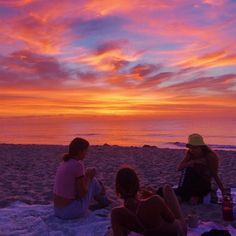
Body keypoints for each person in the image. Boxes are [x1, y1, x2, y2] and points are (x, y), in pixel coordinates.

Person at [111, 167, 187, 236]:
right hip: (177, 232)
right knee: (167, 188)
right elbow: (171, 219)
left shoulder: (116, 213)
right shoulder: (155, 200)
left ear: (118, 189)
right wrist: (155, 197)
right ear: (137, 185)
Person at [53, 137, 110, 219]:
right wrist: (89, 177)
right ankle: (104, 201)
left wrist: (86, 176)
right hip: (69, 211)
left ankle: (102, 196)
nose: (86, 154)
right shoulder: (78, 165)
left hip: (58, 210)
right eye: (86, 151)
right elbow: (82, 193)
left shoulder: (64, 162)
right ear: (80, 151)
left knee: (91, 179)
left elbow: (75, 187)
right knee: (93, 181)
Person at [176, 133, 225, 204]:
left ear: (201, 147)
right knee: (187, 169)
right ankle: (182, 193)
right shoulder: (190, 154)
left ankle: (193, 196)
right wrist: (192, 162)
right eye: (191, 147)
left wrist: (223, 191)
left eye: (195, 147)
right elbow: (179, 168)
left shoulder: (210, 156)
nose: (192, 150)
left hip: (203, 183)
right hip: (190, 182)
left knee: (192, 201)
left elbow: (214, 175)